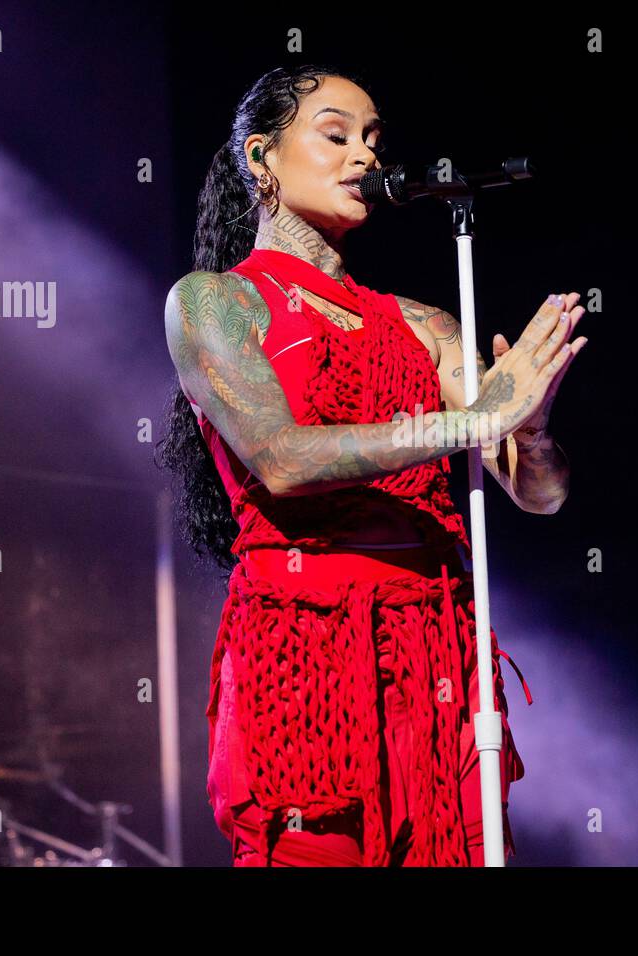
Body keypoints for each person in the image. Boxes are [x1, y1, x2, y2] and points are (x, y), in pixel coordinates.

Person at [158, 64, 587, 866]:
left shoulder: (425, 325)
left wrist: (528, 433)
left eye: (373, 139)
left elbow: (540, 495)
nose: (365, 156)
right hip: (304, 652)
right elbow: (282, 459)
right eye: (336, 135)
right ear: (261, 158)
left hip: (437, 651)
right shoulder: (215, 302)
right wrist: (474, 420)